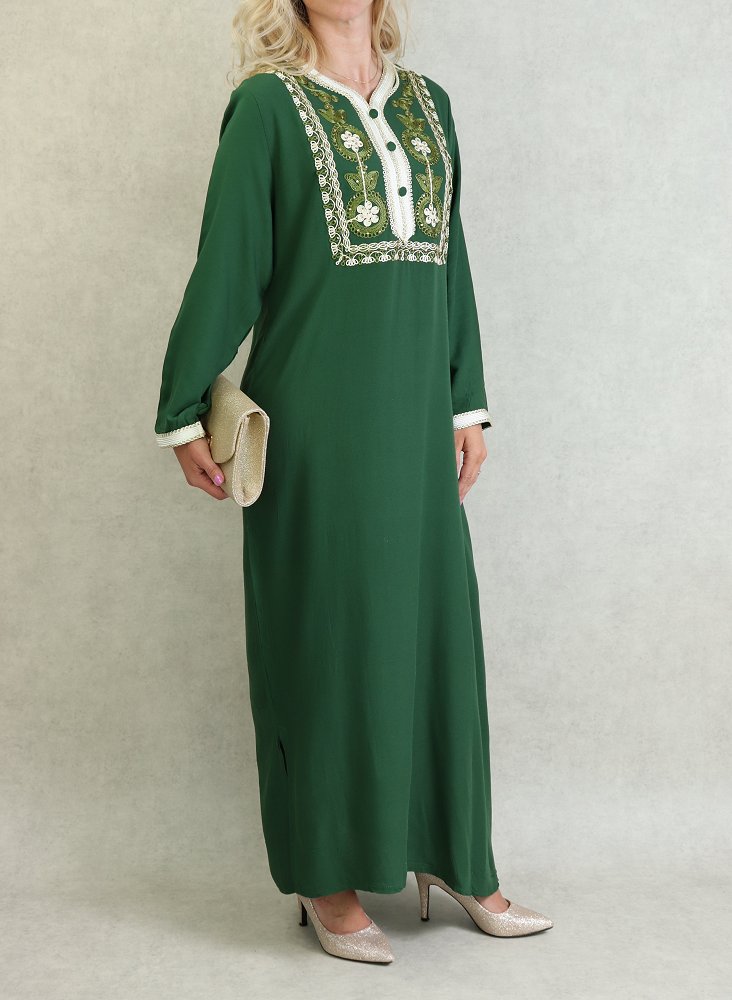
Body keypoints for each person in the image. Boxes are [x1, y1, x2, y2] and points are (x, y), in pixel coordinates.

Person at [154, 0, 553, 963]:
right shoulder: (267, 108)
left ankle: (456, 856)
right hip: (315, 428)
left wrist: (465, 403)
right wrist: (181, 406)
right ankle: (326, 878)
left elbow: (451, 261)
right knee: (325, 641)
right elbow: (229, 262)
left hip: (415, 420)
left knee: (433, 633)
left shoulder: (431, 105)